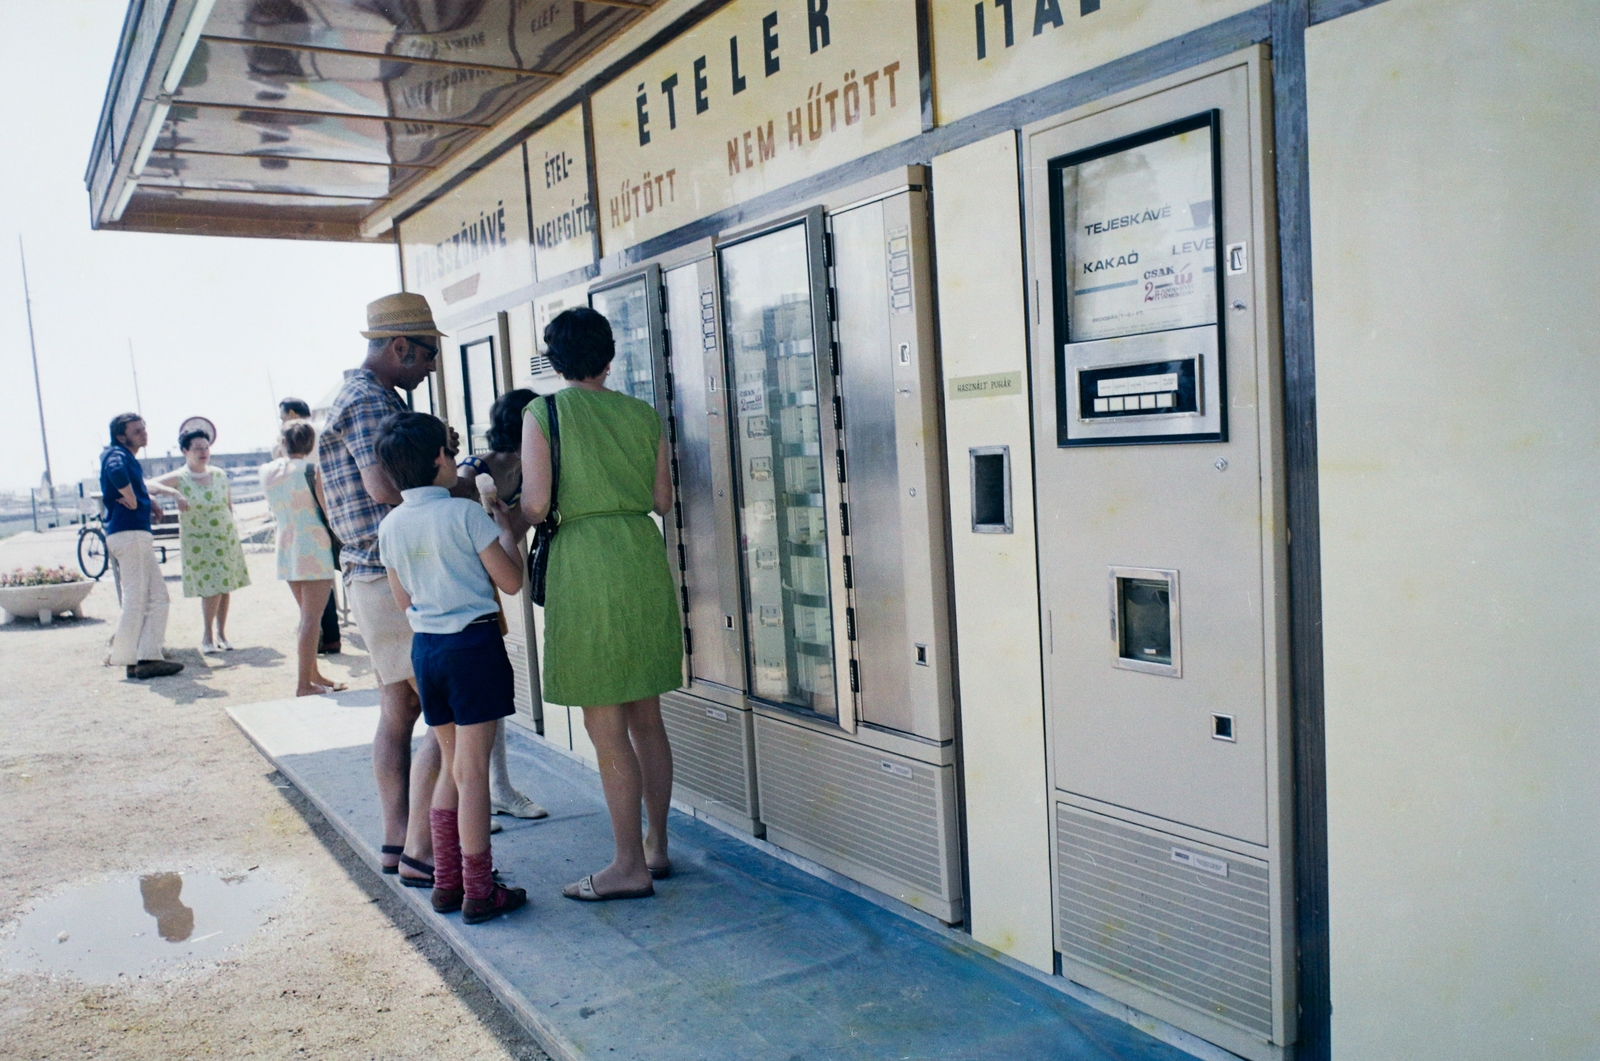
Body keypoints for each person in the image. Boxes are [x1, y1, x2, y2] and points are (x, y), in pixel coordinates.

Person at [521, 307, 681, 902]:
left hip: (585, 563)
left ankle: (625, 865)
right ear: (608, 355)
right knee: (647, 717)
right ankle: (657, 847)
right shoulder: (643, 413)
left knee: (606, 727)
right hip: (640, 554)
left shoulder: (546, 412)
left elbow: (536, 505)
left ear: (555, 359)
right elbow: (662, 499)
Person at [376, 411, 528, 924]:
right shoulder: (465, 516)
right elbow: (509, 582)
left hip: (428, 651)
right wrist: (506, 530)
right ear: (441, 459)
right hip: (474, 649)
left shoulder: (391, 523)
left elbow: (402, 598)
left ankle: (446, 880)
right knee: (473, 772)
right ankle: (480, 889)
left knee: (450, 762)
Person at [319, 292, 447, 886]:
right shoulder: (370, 401)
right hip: (393, 576)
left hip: (367, 571)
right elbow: (387, 488)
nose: (432, 368)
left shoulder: (355, 397)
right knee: (448, 717)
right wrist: (457, 485)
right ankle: (424, 849)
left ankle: (397, 841)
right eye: (427, 355)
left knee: (400, 709)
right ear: (399, 346)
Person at [454, 388, 549, 823]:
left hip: (491, 587)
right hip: (465, 592)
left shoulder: (530, 471)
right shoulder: (473, 470)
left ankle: (498, 788)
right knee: (471, 702)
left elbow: (516, 530)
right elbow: (464, 532)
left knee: (490, 698)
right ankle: (478, 796)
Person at [260, 421, 346, 696]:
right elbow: (328, 510)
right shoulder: (313, 471)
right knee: (312, 618)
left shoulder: (268, 472)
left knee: (307, 617)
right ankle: (303, 684)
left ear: (283, 442)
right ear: (311, 445)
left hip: (286, 544)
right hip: (314, 544)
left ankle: (312, 674)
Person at [100, 413, 184, 680]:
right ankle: (128, 656)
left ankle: (148, 656)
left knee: (158, 597)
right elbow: (115, 471)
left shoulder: (126, 457)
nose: (143, 434)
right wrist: (131, 499)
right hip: (130, 534)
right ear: (121, 435)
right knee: (137, 598)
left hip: (133, 533)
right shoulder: (117, 454)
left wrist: (146, 499)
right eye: (137, 431)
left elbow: (130, 481)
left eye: (144, 429)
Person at [153, 428, 252, 652]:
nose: (203, 452)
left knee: (225, 585)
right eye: (197, 448)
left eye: (206, 448)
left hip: (224, 537)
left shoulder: (219, 474)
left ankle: (222, 634)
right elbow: (149, 484)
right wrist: (175, 494)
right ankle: (207, 636)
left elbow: (228, 504)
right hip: (199, 541)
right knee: (211, 587)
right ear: (185, 451)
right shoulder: (180, 476)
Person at [278, 397, 340, 656]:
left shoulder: (283, 444)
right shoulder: (324, 428)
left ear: (291, 414)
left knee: (310, 600)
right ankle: (331, 635)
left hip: (296, 527)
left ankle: (324, 638)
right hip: (329, 511)